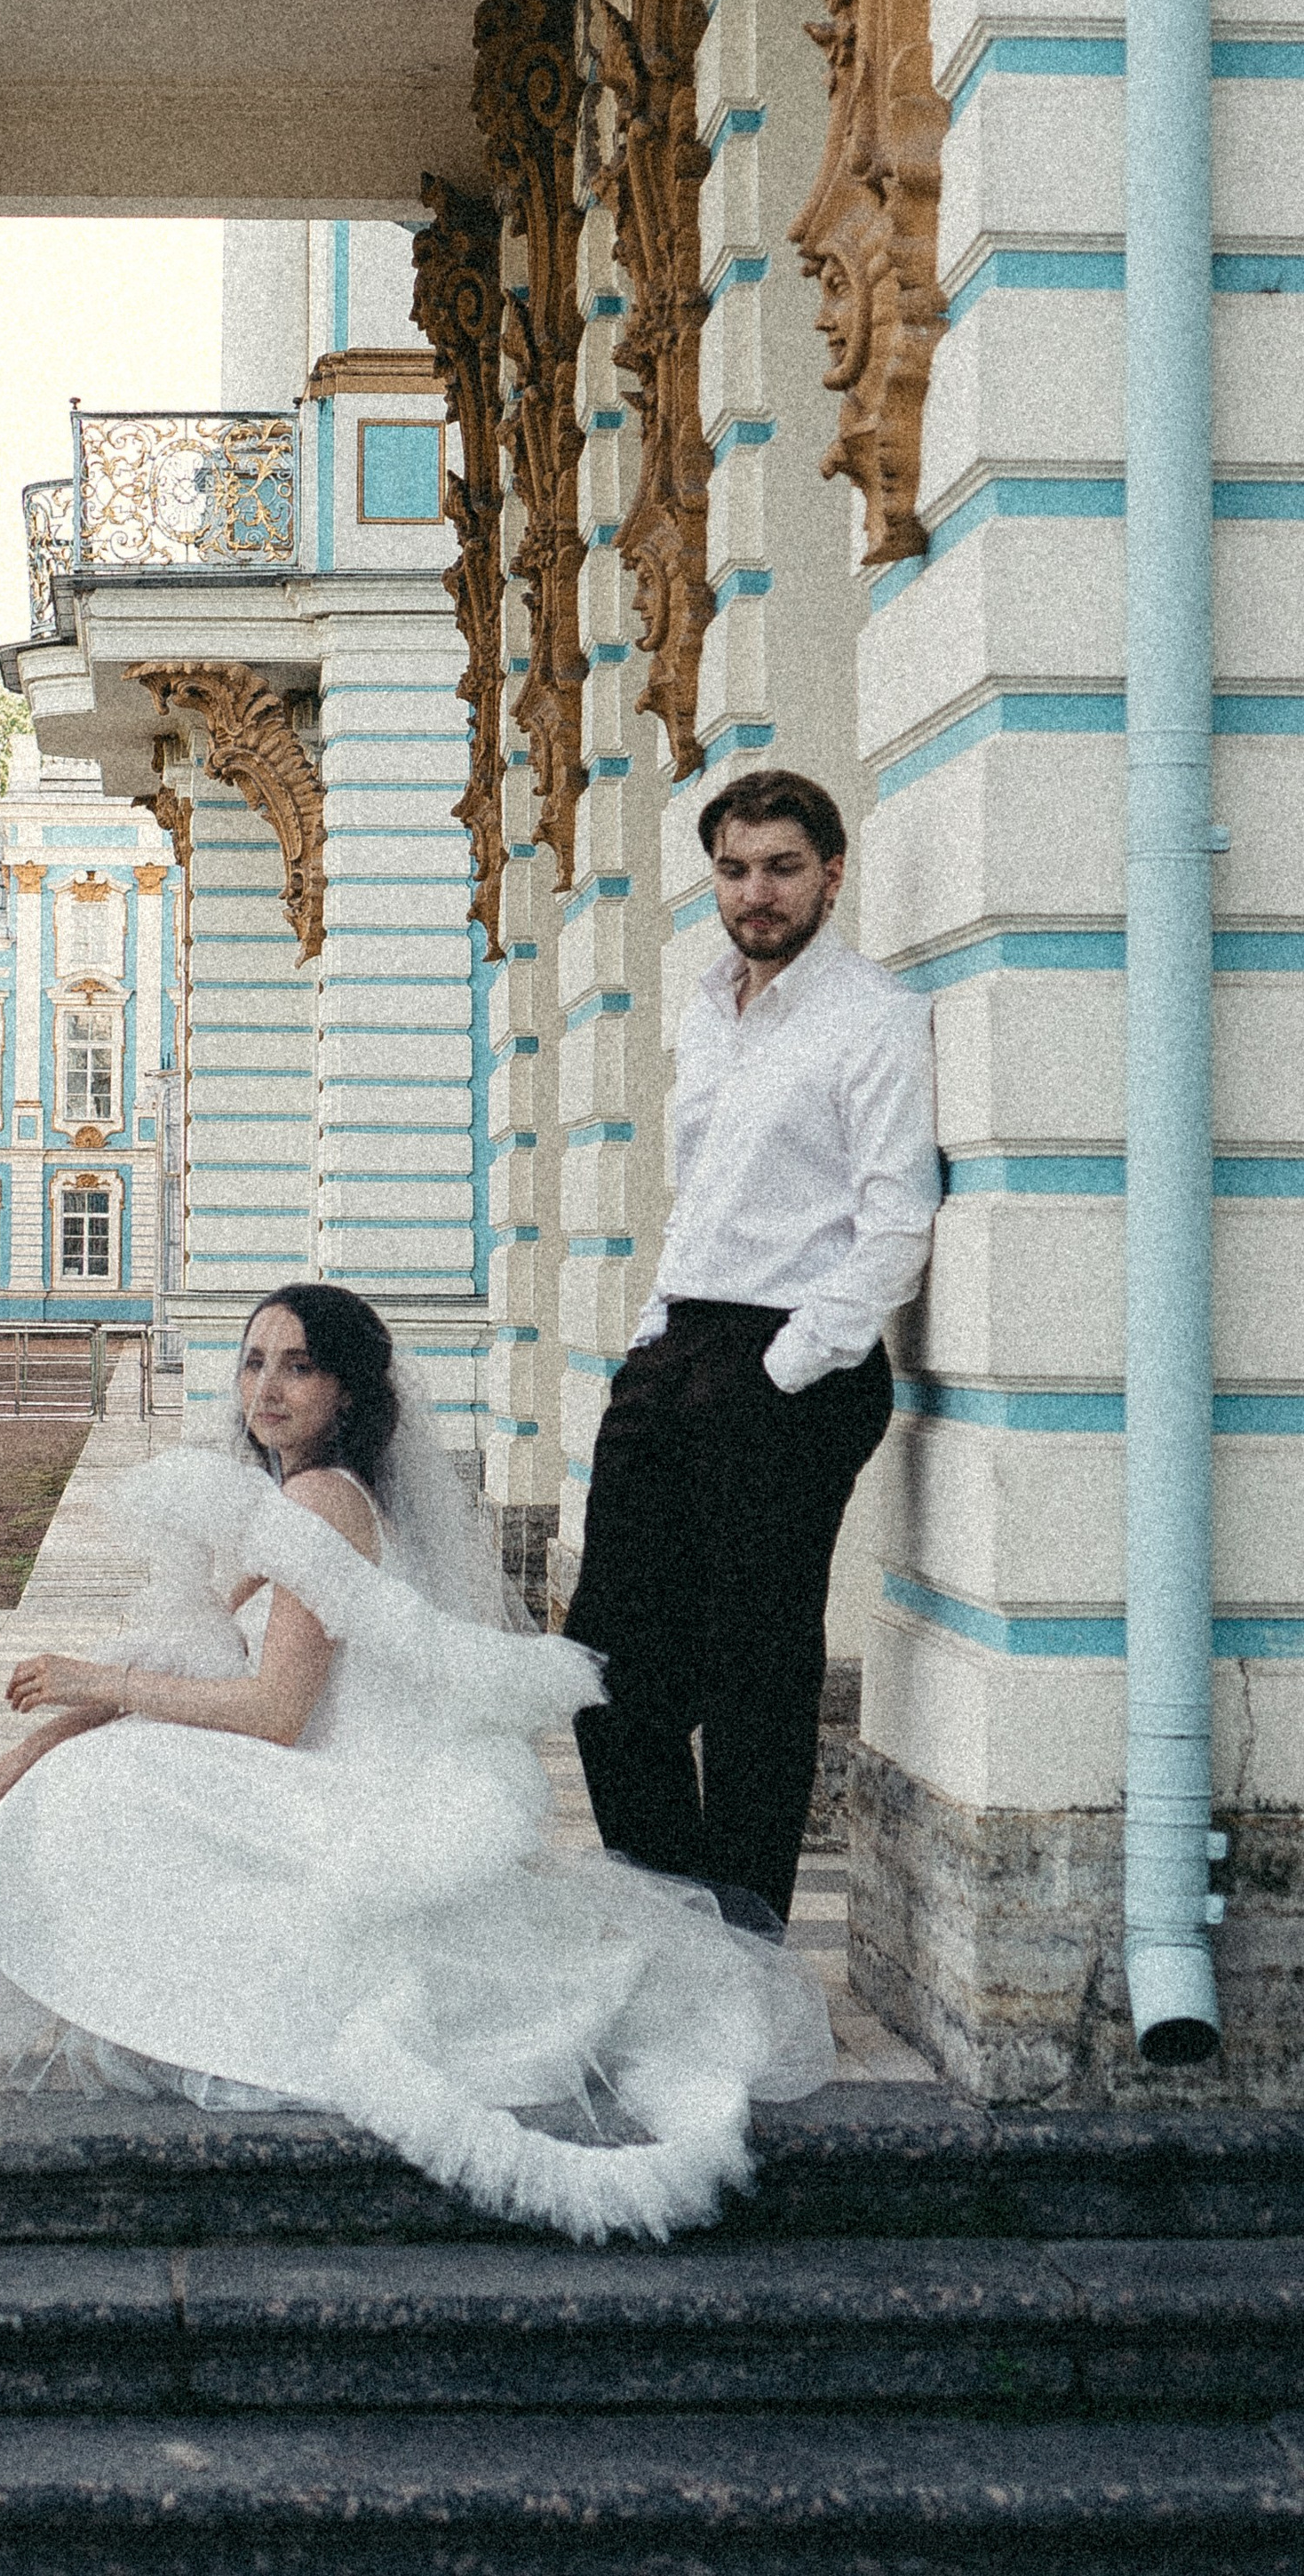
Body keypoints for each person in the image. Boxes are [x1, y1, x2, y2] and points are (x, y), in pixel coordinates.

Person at [0, 1280, 833, 2241]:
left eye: (299, 1366)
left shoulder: (319, 1500)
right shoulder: (295, 1497)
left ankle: (175, 2011)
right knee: (106, 1763)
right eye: (253, 1361)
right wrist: (24, 1751)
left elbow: (273, 1715)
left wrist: (82, 1682)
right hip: (328, 1763)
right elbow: (182, 1657)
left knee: (115, 1781)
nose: (267, 1389)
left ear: (348, 1392)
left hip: (351, 1785)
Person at [564, 766, 940, 1938]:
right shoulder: (706, 1005)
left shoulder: (870, 1018)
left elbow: (896, 1226)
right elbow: (703, 1197)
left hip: (795, 1366)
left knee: (755, 1681)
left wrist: (788, 1365)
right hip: (680, 1345)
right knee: (602, 1672)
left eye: (782, 867)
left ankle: (744, 1952)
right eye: (734, 869)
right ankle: (676, 1922)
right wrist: (650, 1341)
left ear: (832, 874)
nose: (757, 892)